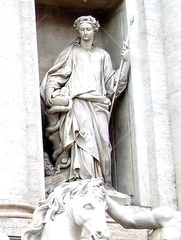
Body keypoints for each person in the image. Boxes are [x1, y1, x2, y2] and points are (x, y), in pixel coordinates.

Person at [41, 15, 129, 183]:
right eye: (82, 30)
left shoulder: (102, 55)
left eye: (88, 29)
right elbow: (57, 75)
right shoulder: (71, 53)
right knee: (83, 140)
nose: (85, 32)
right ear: (78, 31)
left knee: (103, 142)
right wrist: (51, 91)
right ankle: (82, 179)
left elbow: (112, 85)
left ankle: (100, 180)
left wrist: (126, 63)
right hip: (78, 102)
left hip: (99, 105)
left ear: (95, 30)